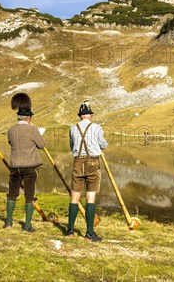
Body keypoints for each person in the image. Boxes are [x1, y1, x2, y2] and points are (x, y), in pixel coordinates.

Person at [65, 100, 107, 241]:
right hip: (92, 162)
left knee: (74, 197)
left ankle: (69, 231)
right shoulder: (97, 128)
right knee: (90, 197)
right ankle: (89, 233)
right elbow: (103, 144)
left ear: (80, 116)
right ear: (91, 115)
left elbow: (72, 146)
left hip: (77, 162)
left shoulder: (72, 128)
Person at [4, 93, 46, 233]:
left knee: (12, 194)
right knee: (29, 195)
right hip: (30, 166)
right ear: (29, 118)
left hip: (15, 166)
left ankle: (9, 223)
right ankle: (27, 225)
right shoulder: (32, 129)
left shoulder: (10, 130)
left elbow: (11, 142)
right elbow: (41, 145)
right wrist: (35, 130)